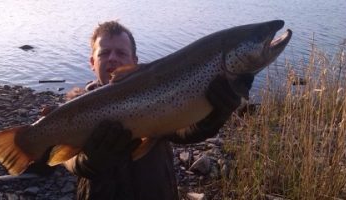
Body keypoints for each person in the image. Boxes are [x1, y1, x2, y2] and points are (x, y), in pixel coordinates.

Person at [36, 21, 244, 200]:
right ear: (92, 62)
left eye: (121, 52)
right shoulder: (76, 107)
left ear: (135, 61)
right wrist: (87, 162)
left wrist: (214, 115)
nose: (113, 58)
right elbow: (65, 158)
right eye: (104, 53)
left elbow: (185, 132)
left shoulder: (158, 95)